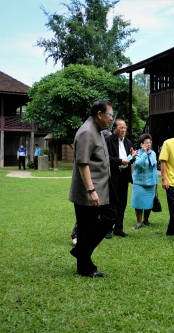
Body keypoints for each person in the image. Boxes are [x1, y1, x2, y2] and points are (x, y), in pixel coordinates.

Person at [68, 99, 117, 278]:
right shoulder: (87, 132)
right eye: (110, 114)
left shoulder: (97, 130)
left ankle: (81, 249)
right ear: (99, 114)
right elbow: (83, 163)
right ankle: (85, 267)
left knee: (110, 216)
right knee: (87, 227)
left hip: (101, 189)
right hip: (89, 191)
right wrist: (90, 190)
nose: (111, 118)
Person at [104, 119, 138, 239]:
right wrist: (120, 161)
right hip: (112, 174)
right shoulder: (108, 140)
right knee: (111, 202)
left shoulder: (128, 142)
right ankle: (107, 229)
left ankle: (119, 228)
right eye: (121, 127)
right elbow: (105, 157)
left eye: (125, 127)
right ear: (114, 129)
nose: (123, 130)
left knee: (122, 202)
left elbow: (129, 159)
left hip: (124, 175)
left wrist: (133, 157)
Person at [131, 133, 158, 229]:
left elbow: (154, 168)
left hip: (150, 181)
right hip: (139, 182)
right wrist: (145, 154)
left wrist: (156, 180)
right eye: (146, 142)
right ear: (141, 144)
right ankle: (139, 222)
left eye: (149, 142)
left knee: (149, 202)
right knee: (138, 202)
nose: (148, 144)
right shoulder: (138, 153)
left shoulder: (153, 153)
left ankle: (146, 220)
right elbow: (137, 164)